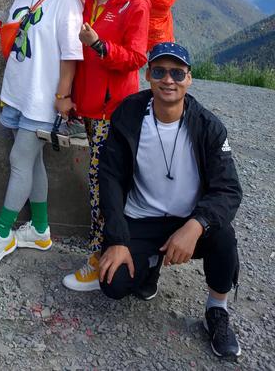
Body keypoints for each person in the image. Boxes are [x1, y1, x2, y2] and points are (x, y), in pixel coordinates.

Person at [99, 42, 242, 359]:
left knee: (223, 235)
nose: (169, 80)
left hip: (187, 221)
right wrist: (118, 239)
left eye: (177, 72)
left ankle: (217, 311)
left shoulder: (208, 127)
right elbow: (109, 176)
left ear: (189, 79)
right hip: (141, 218)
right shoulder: (129, 114)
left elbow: (228, 190)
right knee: (114, 285)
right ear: (148, 75)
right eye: (160, 71)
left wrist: (197, 224)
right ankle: (149, 265)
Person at [0, 0, 84, 268]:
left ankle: (3, 233)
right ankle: (39, 228)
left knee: (20, 158)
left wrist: (63, 97)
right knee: (33, 163)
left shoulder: (67, 2)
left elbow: (70, 56)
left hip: (44, 98)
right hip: (19, 92)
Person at [62, 0, 150, 291]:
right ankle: (116, 250)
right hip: (87, 106)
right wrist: (67, 96)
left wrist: (99, 44)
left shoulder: (136, 3)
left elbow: (137, 58)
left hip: (114, 110)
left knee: (104, 184)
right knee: (104, 180)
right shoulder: (84, 0)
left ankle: (102, 257)